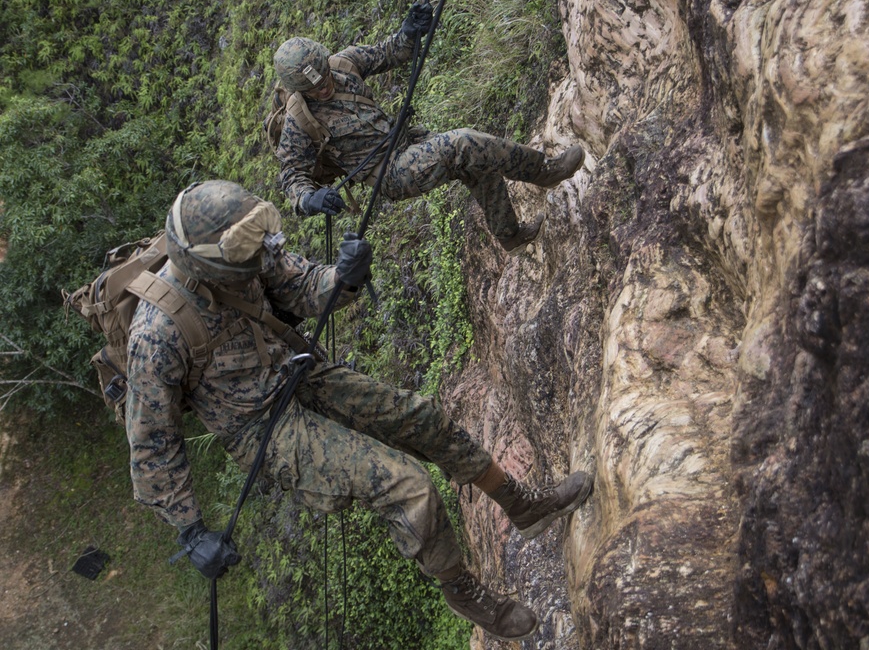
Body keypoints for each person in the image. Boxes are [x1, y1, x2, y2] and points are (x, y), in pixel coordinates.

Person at [125, 180, 594, 641]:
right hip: (257, 427)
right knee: (409, 486)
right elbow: (152, 445)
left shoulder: (246, 250)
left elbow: (304, 286)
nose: (259, 258)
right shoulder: (156, 335)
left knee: (422, 418)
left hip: (296, 373)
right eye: (246, 257)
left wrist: (343, 277)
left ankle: (523, 506)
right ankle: (461, 588)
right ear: (208, 265)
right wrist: (190, 531)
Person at [271, 3, 584, 253]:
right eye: (315, 90)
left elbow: (388, 52)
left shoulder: (343, 64)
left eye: (324, 78)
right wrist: (310, 200)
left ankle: (510, 236)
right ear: (300, 91)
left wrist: (409, 32)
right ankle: (544, 171)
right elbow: (292, 175)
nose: (324, 88)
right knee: (462, 144)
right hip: (390, 173)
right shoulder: (298, 122)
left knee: (478, 163)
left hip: (408, 142)